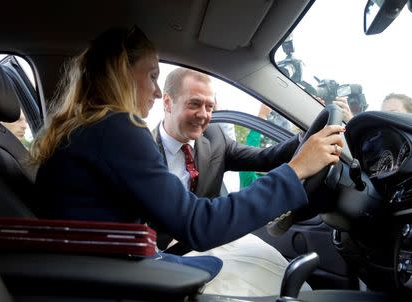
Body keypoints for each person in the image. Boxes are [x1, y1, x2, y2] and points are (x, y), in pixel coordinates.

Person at [31, 27, 345, 296]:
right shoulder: (117, 128)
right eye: (152, 76)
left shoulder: (83, 127)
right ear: (120, 72)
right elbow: (199, 224)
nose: (155, 91)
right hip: (118, 277)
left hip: (109, 267)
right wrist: (296, 171)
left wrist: (306, 143)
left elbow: (263, 157)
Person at [152, 68, 310, 295]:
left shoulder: (215, 138)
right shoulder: (144, 150)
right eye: (194, 104)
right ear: (167, 102)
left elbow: (266, 158)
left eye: (209, 106)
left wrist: (304, 139)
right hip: (168, 255)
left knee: (285, 277)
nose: (204, 115)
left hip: (216, 239)